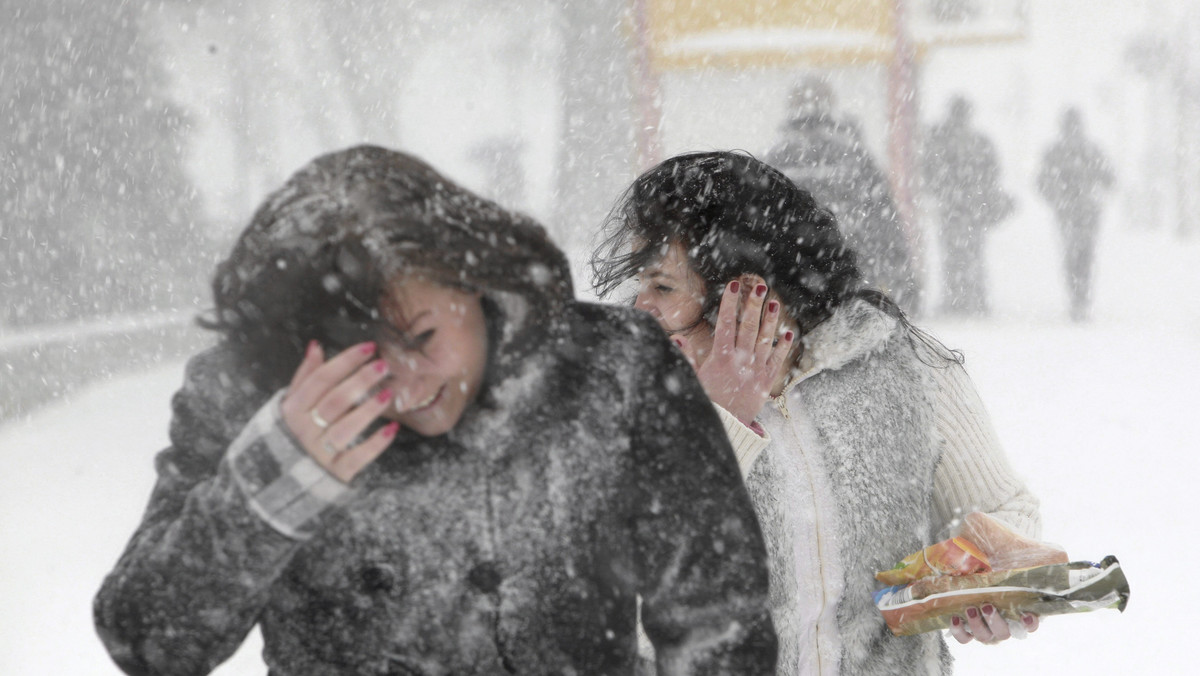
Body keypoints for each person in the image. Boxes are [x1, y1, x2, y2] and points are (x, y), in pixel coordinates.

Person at [93, 145, 777, 674]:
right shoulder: (252, 398)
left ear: (481, 281)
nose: (407, 386)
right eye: (362, 359)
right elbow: (151, 643)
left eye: (422, 338)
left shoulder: (612, 367)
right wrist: (271, 486)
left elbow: (716, 616)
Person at [592, 151, 1046, 675]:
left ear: (748, 289)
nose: (637, 309)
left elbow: (1002, 510)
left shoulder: (904, 370)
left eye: (662, 287)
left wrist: (985, 583)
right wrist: (721, 420)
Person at [765, 75, 921, 315]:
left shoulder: (771, 161)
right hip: (851, 283)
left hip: (788, 293)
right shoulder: (856, 157)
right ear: (830, 105)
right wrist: (903, 280)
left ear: (790, 107)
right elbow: (884, 222)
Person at [921, 95, 1015, 317]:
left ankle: (959, 299)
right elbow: (993, 172)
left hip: (956, 206)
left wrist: (947, 190)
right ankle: (974, 299)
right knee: (971, 253)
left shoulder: (940, 140)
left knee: (957, 253)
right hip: (970, 206)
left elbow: (928, 173)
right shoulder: (977, 141)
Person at [1036, 107, 1115, 322]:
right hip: (1074, 211)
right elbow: (1042, 182)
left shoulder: (1068, 151)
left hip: (1080, 211)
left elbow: (1109, 178)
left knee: (1080, 254)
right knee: (1078, 255)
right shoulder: (1082, 151)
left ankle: (1080, 299)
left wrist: (1060, 195)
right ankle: (1079, 299)